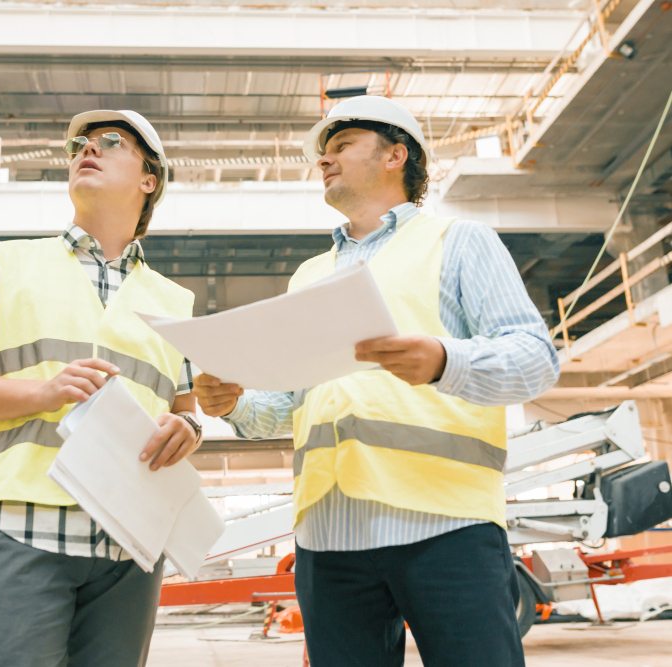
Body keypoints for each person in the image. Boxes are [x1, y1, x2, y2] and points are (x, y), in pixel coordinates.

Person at [195, 95, 559, 666]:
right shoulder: (310, 275)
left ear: (396, 155)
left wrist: (444, 361)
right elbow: (292, 405)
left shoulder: (459, 243)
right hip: (328, 537)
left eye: (340, 145)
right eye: (323, 152)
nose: (325, 159)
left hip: (446, 524)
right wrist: (235, 403)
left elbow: (535, 359)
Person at [0, 109, 204, 667]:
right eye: (80, 143)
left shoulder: (174, 302)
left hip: (130, 540)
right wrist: (43, 392)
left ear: (149, 180)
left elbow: (186, 412)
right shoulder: (10, 262)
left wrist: (189, 429)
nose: (87, 149)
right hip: (24, 527)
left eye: (109, 142)